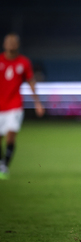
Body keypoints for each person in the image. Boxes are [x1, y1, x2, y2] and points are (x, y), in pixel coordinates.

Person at [0, 33, 45, 180]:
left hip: (14, 105)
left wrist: (37, 103)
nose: (11, 44)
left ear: (18, 44)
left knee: (11, 136)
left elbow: (31, 82)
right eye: (9, 41)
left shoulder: (24, 62)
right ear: (4, 44)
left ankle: (4, 166)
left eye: (14, 42)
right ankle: (2, 163)